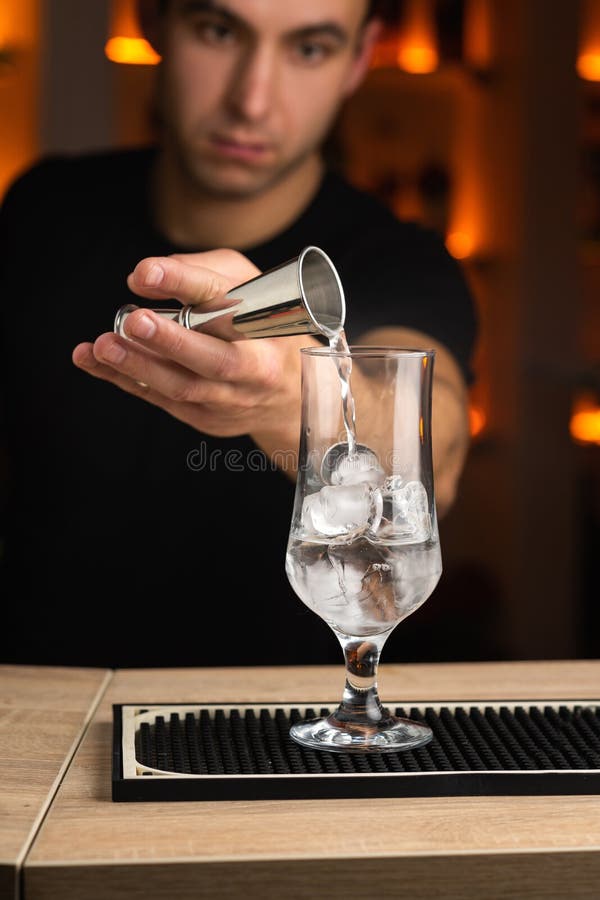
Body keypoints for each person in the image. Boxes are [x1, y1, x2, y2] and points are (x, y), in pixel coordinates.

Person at [0, 0, 477, 668]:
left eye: (309, 48)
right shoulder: (42, 210)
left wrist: (292, 398)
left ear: (359, 60)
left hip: (279, 731)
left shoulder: (401, 260)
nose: (253, 101)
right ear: (154, 24)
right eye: (219, 31)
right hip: (32, 701)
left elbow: (437, 459)